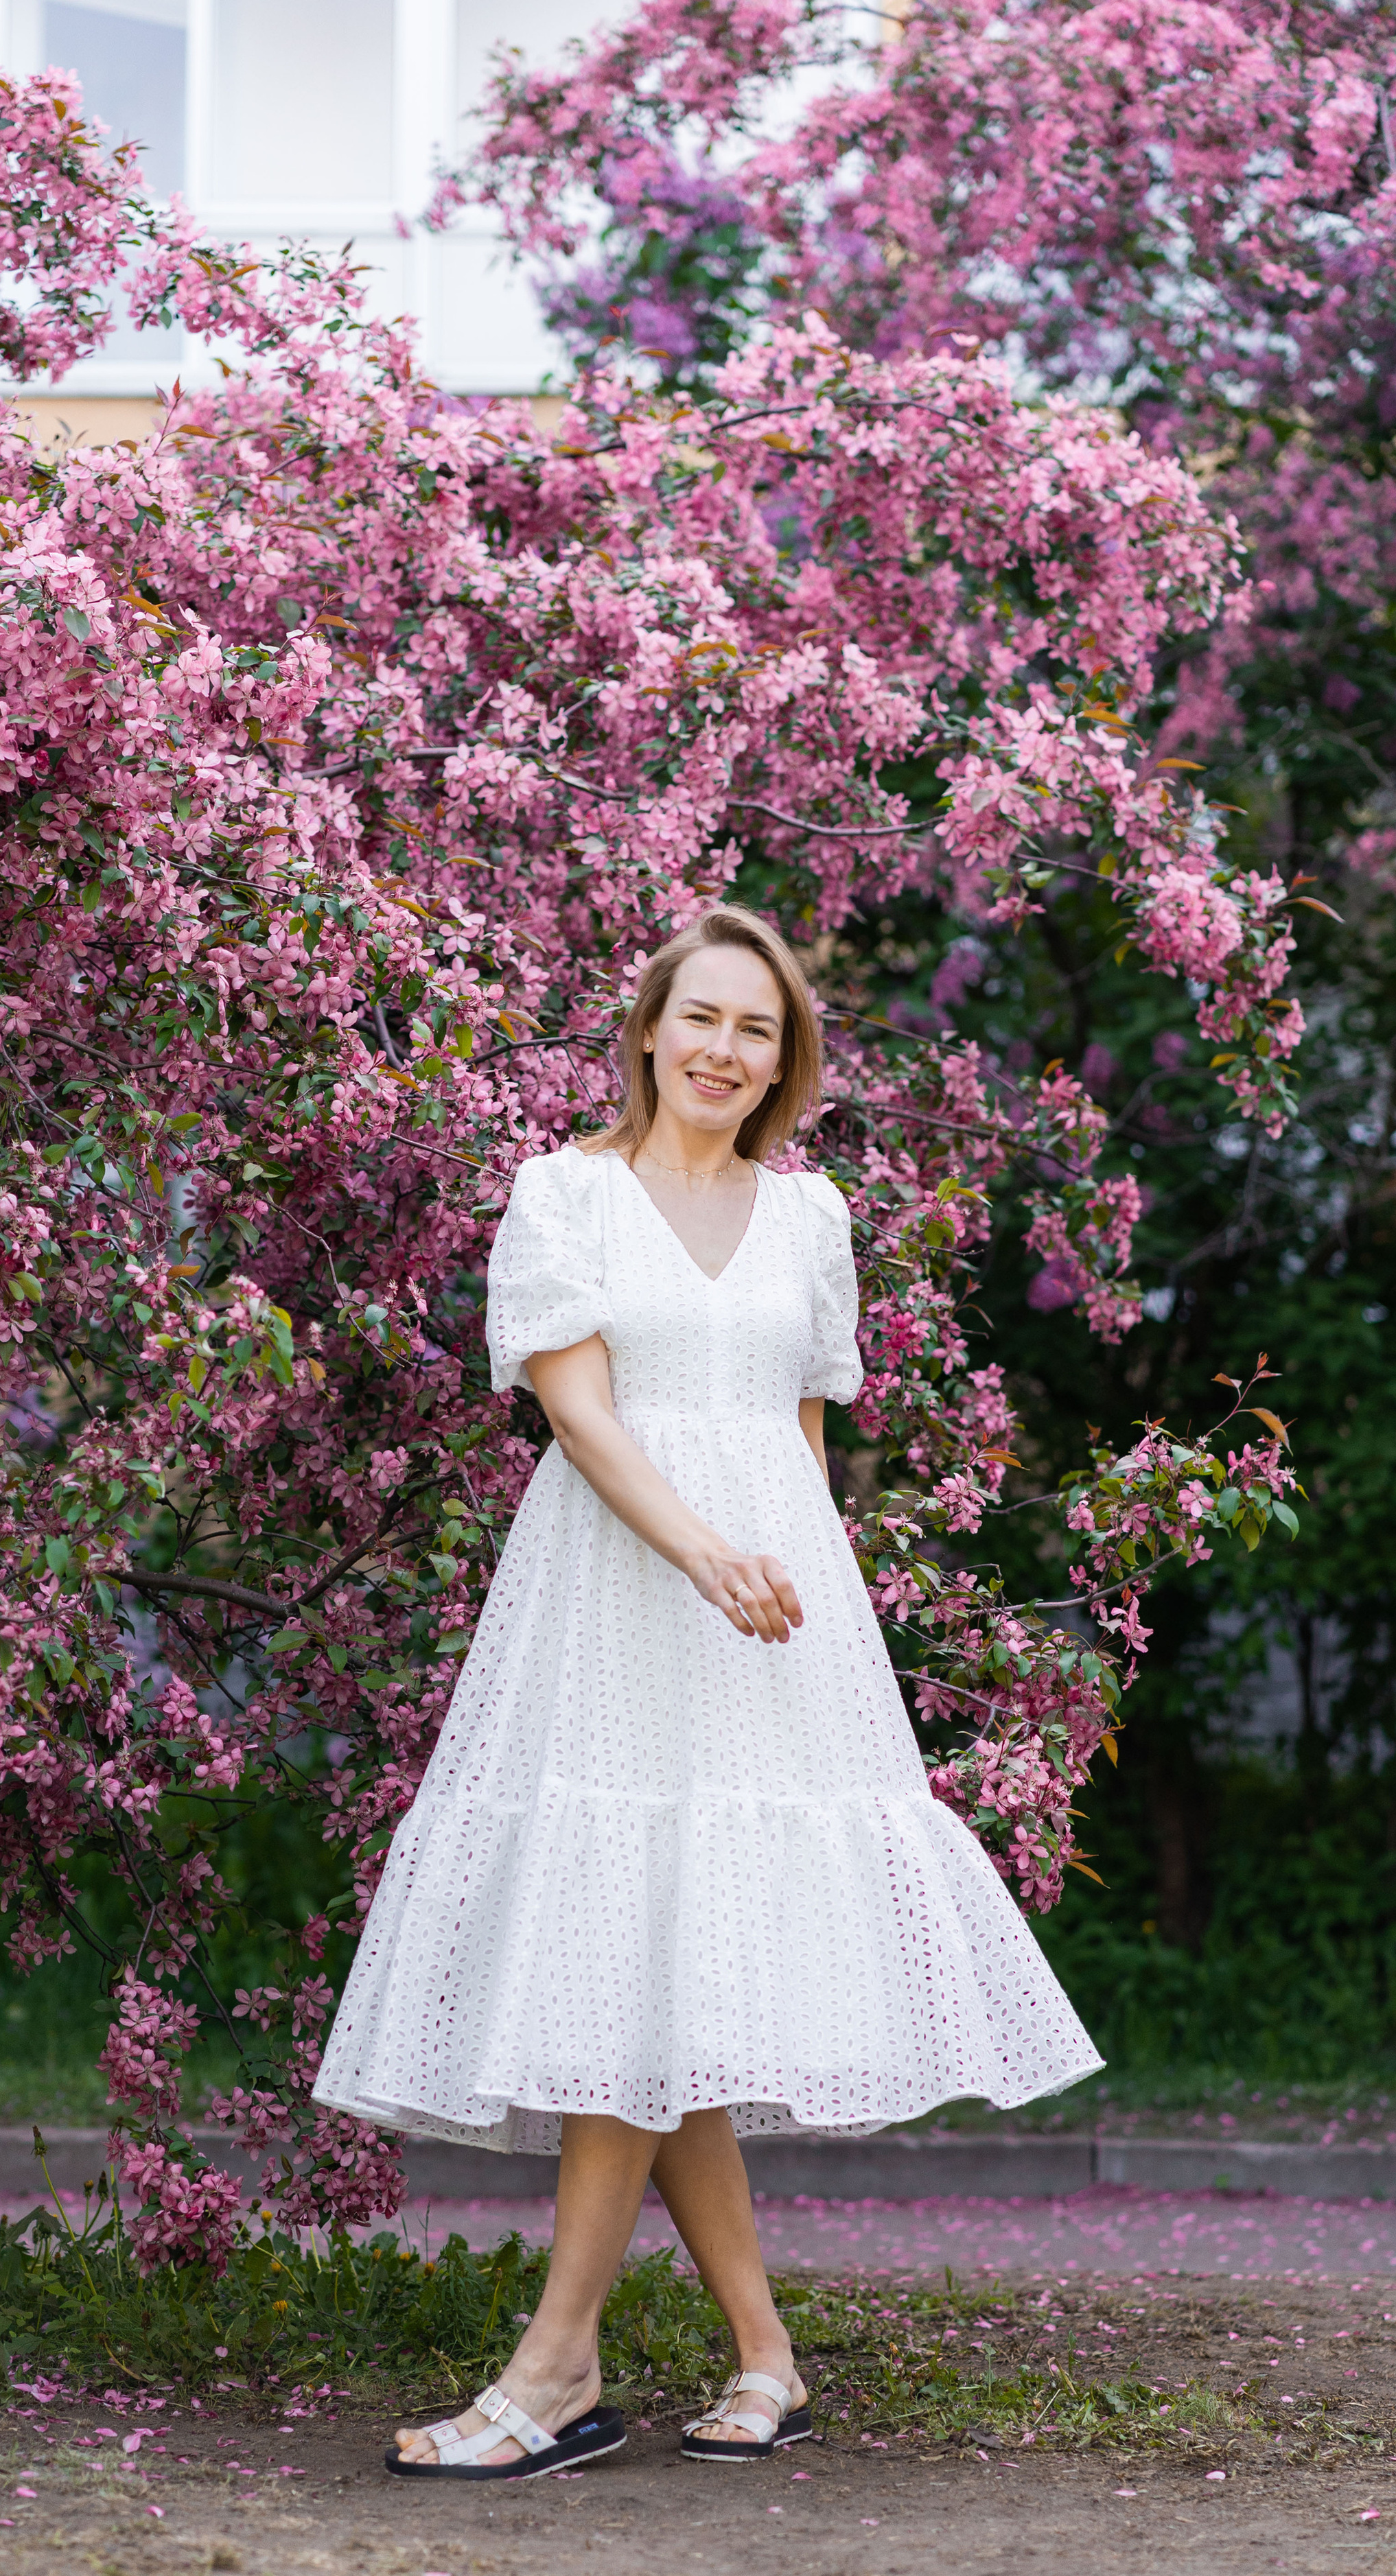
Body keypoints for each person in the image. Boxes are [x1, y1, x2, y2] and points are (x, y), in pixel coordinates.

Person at [313, 906, 1100, 2480]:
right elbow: (580, 1418)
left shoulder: (809, 1220)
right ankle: (623, 2361)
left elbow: (800, 1441)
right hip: (617, 1593)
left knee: (673, 1984)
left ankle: (616, 2367)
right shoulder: (566, 1192)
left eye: (756, 1031)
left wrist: (800, 1619)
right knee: (631, 1964)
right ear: (649, 1031)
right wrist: (698, 1553)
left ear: (780, 1060)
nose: (724, 1051)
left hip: (763, 1621)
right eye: (702, 1020)